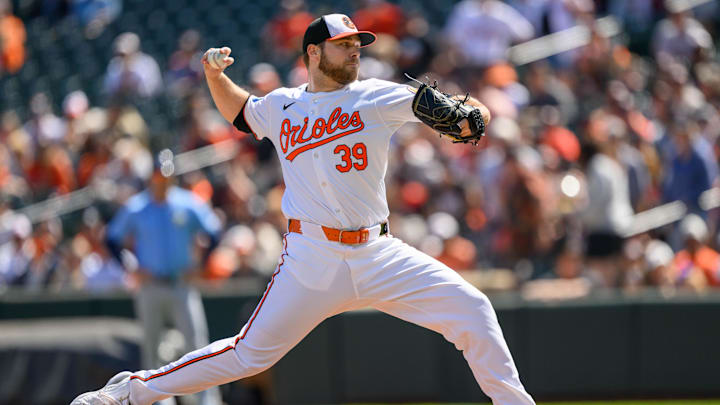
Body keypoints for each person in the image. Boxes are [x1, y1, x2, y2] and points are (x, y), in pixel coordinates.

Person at [72, 14, 535, 405]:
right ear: (313, 53)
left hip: (378, 253)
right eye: (343, 44)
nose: (355, 50)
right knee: (247, 355)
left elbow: (472, 112)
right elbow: (242, 112)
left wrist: (469, 113)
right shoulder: (282, 105)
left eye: (357, 43)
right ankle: (127, 394)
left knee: (473, 309)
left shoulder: (377, 95)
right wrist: (216, 78)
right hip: (311, 257)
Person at [103, 151, 223, 405]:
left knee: (198, 345)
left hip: (181, 283)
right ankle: (158, 402)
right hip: (151, 285)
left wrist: (201, 264)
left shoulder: (187, 203)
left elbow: (213, 232)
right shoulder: (138, 206)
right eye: (159, 176)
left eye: (167, 176)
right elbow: (111, 239)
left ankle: (206, 401)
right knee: (152, 349)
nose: (162, 181)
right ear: (151, 178)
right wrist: (130, 267)